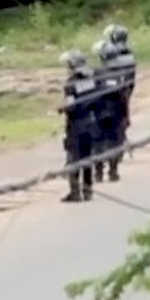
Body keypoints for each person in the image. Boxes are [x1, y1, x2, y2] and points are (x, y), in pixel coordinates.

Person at [58, 49, 100, 202]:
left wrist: (61, 109)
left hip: (76, 124)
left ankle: (75, 192)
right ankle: (88, 191)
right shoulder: (93, 79)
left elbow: (71, 105)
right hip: (92, 121)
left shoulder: (71, 83)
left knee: (73, 157)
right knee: (87, 157)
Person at [93, 40, 130, 182]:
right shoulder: (122, 73)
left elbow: (93, 93)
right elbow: (124, 95)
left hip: (100, 112)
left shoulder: (97, 72)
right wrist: (126, 115)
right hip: (117, 112)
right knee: (115, 142)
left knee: (98, 143)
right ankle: (113, 171)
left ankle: (98, 173)